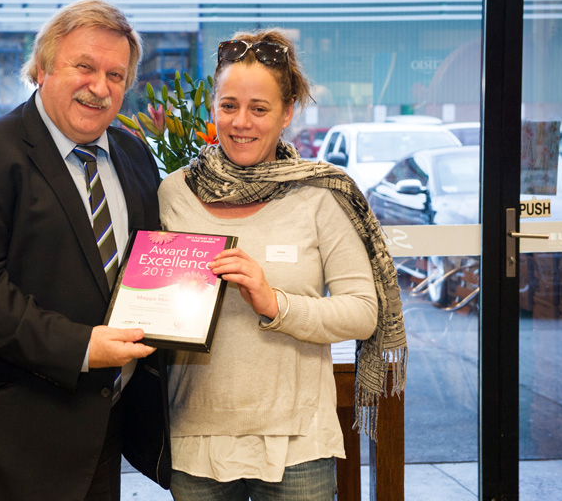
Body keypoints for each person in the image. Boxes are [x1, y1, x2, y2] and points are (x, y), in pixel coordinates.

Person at [0, 0, 170, 501]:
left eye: (115, 75)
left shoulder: (134, 154)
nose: (100, 87)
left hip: (95, 439)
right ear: (42, 69)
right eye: (84, 67)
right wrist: (84, 347)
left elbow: (145, 266)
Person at [157, 29, 407, 500]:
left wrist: (274, 303)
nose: (241, 122)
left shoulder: (320, 194)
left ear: (287, 112)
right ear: (213, 108)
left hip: (298, 442)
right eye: (229, 105)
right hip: (195, 435)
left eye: (259, 108)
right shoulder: (174, 192)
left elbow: (362, 312)